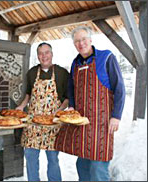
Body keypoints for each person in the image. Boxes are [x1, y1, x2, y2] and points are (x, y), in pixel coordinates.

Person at [55, 26, 126, 181]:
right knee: (82, 166)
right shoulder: (75, 63)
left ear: (90, 40)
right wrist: (72, 106)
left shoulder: (106, 58)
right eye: (77, 41)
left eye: (83, 39)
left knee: (98, 169)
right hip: (81, 124)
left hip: (102, 125)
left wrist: (116, 116)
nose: (81, 43)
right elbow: (71, 88)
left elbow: (119, 88)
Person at [16, 42, 69, 181]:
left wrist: (60, 110)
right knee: (31, 157)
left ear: (52, 54)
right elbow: (28, 94)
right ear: (37, 56)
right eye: (40, 53)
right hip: (33, 123)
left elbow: (68, 98)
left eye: (47, 52)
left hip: (53, 122)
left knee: (53, 159)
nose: (44, 56)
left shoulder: (62, 73)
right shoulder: (32, 72)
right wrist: (21, 106)